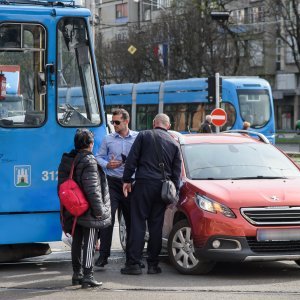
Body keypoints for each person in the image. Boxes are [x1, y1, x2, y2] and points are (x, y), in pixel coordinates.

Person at [121, 113, 182, 275]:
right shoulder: (174, 144)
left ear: (154, 123)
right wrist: (173, 194)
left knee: (138, 224)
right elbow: (177, 174)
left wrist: (126, 179)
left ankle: (133, 264)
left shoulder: (144, 135)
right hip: (162, 189)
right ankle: (153, 265)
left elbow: (132, 159)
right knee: (156, 226)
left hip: (143, 185)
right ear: (168, 126)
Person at [58, 128, 111, 288]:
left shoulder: (70, 159)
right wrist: (99, 211)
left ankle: (77, 274)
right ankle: (88, 275)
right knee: (89, 242)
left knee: (77, 240)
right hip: (88, 208)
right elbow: (92, 189)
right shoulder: (88, 161)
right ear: (90, 144)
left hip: (75, 207)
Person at [95, 108, 138, 267]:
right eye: (112, 122)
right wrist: (107, 164)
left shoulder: (137, 137)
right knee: (108, 220)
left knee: (131, 222)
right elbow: (98, 157)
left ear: (126, 122)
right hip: (112, 183)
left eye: (117, 122)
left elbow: (142, 157)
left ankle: (132, 257)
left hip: (131, 184)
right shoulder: (108, 139)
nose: (114, 125)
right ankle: (103, 256)